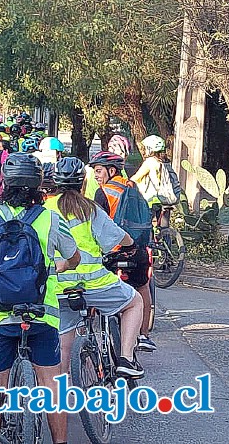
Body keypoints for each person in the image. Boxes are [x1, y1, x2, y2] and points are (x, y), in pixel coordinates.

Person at [0, 153, 81, 444]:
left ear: (4, 182)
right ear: (40, 185)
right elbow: (73, 257)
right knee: (52, 383)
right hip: (41, 314)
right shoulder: (50, 219)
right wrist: (60, 266)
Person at [46, 157, 145, 378]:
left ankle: (60, 401)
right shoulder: (89, 209)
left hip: (58, 287)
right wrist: (132, 246)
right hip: (96, 285)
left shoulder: (45, 210)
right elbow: (117, 236)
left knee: (63, 345)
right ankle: (127, 358)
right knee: (134, 302)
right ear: (83, 183)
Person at [89, 151, 156, 352]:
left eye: (99, 171)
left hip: (112, 252)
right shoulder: (133, 188)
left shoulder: (103, 193)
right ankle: (143, 335)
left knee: (96, 285)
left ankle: (92, 332)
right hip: (136, 250)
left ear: (111, 170)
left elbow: (96, 225)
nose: (96, 175)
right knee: (142, 286)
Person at [131, 134, 170, 227]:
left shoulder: (149, 162)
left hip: (151, 200)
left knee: (146, 225)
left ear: (150, 149)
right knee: (164, 227)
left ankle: (150, 241)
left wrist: (127, 182)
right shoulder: (165, 162)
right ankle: (166, 240)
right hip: (165, 199)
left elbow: (136, 177)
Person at [83, 134, 131, 200]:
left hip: (92, 205)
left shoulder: (90, 168)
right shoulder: (119, 170)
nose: (123, 160)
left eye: (125, 157)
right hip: (100, 205)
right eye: (121, 155)